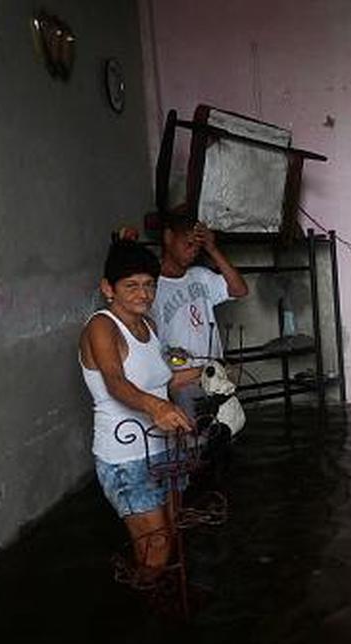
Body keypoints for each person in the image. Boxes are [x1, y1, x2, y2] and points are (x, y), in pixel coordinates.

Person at [79, 239, 197, 574]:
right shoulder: (101, 326)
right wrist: (156, 407)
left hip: (162, 447)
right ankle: (146, 616)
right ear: (108, 288)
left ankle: (165, 605)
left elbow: (161, 381)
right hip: (124, 456)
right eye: (131, 286)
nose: (142, 294)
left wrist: (206, 371)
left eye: (149, 285)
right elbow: (116, 382)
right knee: (155, 545)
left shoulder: (149, 326)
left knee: (172, 534)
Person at [150, 211, 249, 418]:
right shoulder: (150, 287)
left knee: (223, 429)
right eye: (188, 244)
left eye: (198, 246)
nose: (194, 251)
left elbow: (240, 289)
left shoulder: (201, 277)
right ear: (168, 237)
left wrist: (212, 249)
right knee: (193, 433)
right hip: (179, 379)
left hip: (213, 376)